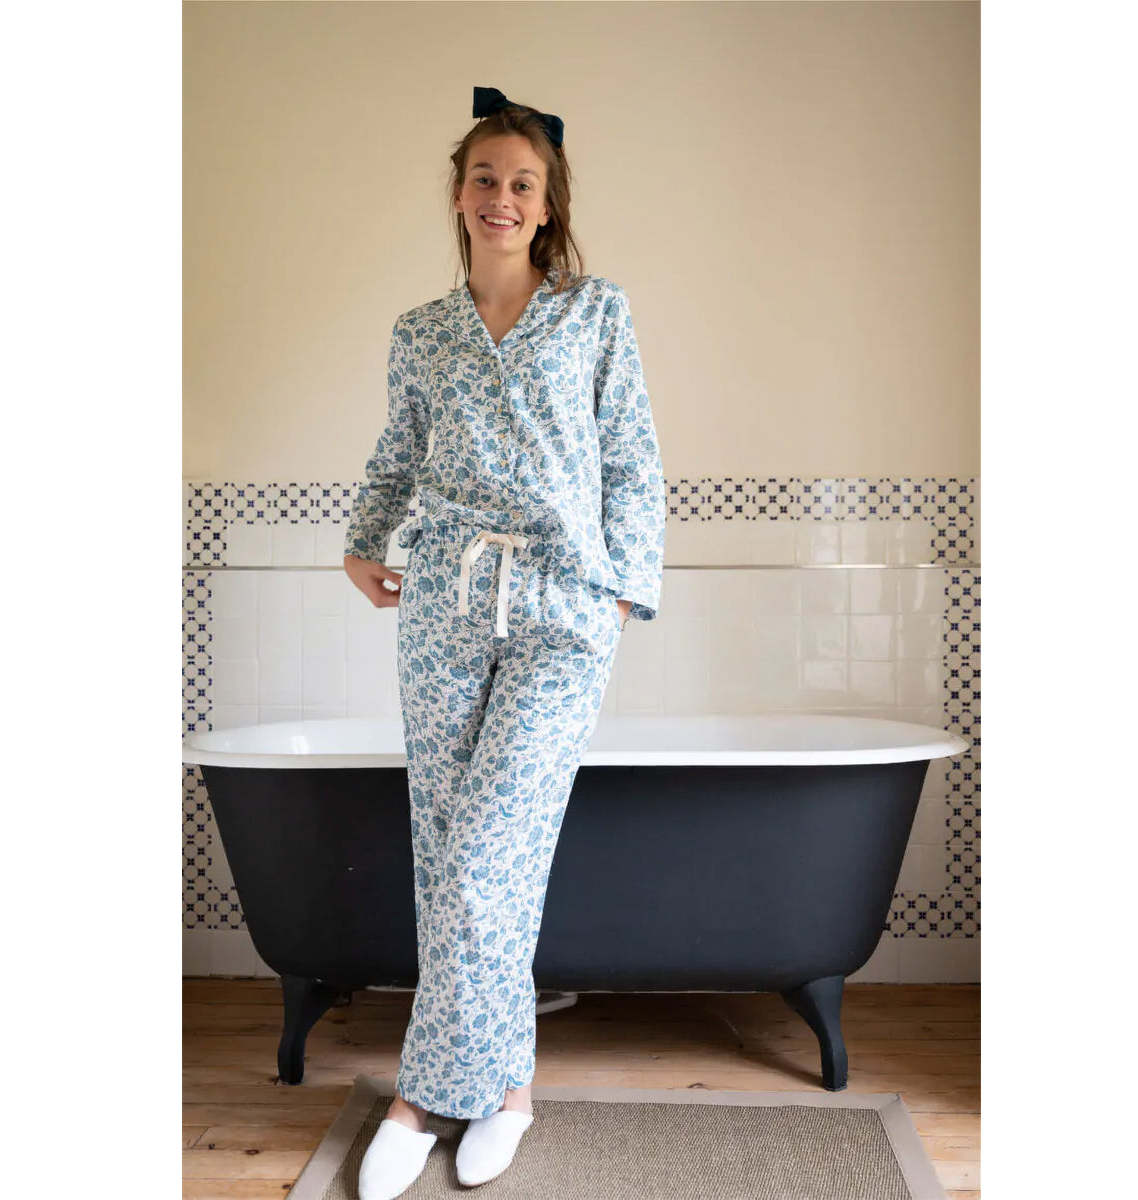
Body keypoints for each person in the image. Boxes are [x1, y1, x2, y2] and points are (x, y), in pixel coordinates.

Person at [342, 85, 665, 1199]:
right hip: (443, 602)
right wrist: (361, 541)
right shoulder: (420, 333)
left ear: (547, 204)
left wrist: (622, 592)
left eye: (523, 182)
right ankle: (509, 1088)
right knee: (450, 857)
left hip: (563, 611)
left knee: (486, 859)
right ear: (458, 193)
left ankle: (419, 1097)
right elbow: (397, 451)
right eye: (485, 177)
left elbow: (633, 458)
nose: (501, 196)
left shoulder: (596, 313)